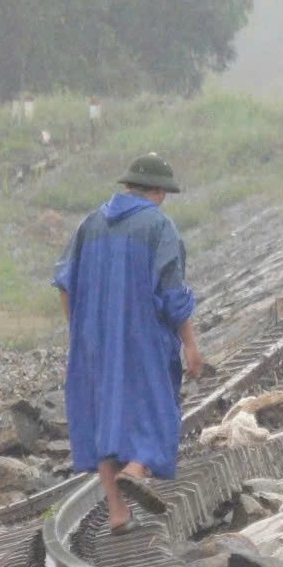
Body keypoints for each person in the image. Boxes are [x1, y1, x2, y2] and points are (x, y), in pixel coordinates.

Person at [54, 153, 205, 531]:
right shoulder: (158, 226)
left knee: (102, 420)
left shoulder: (90, 223)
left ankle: (118, 512)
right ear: (155, 190)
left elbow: (63, 283)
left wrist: (80, 331)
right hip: (143, 337)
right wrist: (190, 343)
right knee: (158, 406)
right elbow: (172, 295)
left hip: (93, 339)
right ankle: (136, 469)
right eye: (164, 192)